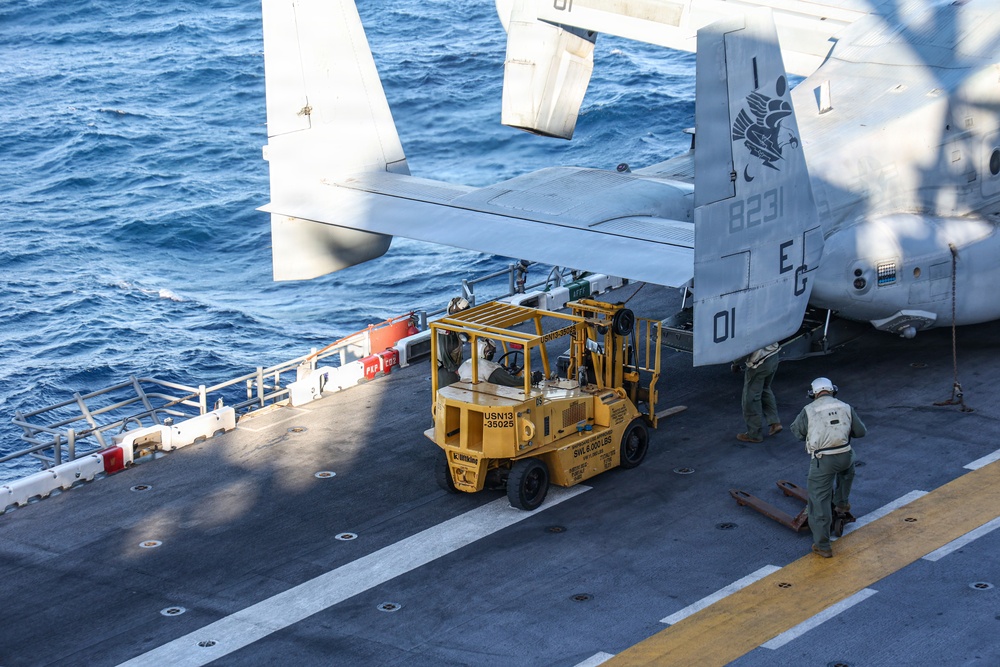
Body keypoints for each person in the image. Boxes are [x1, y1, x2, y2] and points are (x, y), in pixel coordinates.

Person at [790, 377, 867, 558]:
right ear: (833, 390)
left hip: (823, 460)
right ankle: (841, 504)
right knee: (847, 472)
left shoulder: (808, 410)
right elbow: (861, 432)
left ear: (814, 393)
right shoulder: (845, 406)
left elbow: (797, 432)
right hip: (845, 455)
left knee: (819, 501)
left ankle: (823, 545)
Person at [736, 342, 782, 443]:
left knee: (750, 398)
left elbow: (743, 351)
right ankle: (775, 423)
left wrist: (735, 363)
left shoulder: (746, 327)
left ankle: (754, 434)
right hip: (773, 356)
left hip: (759, 363)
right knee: (765, 389)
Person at [457, 339, 523, 387]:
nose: (492, 355)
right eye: (491, 352)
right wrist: (530, 379)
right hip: (483, 397)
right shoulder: (490, 367)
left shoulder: (466, 363)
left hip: (466, 391)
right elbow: (511, 381)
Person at [436, 297, 470, 388]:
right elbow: (444, 350)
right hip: (446, 367)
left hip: (451, 364)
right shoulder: (446, 326)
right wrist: (455, 369)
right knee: (449, 391)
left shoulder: (454, 322)